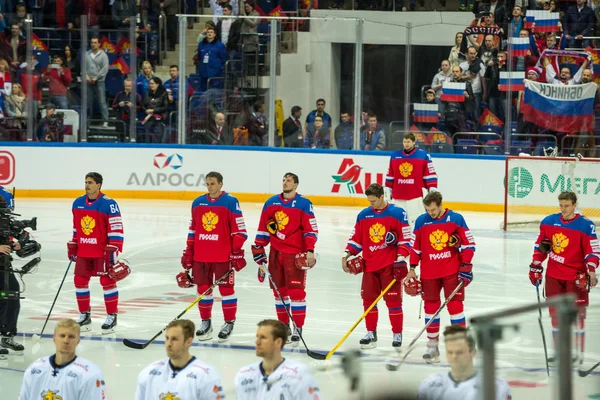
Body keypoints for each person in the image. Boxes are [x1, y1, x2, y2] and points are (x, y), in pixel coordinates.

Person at [404, 191, 476, 363]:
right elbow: (416, 248)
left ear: (440, 204)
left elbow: (469, 244)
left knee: (455, 307)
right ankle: (432, 345)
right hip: (429, 273)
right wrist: (412, 267)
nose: (431, 213)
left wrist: (465, 265)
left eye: (434, 209)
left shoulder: (456, 219)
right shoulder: (421, 221)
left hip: (452, 271)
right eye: (428, 210)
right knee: (431, 308)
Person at [529, 191, 599, 363]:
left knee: (577, 315)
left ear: (574, 205)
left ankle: (578, 353)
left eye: (567, 206)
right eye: (561, 205)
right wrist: (536, 265)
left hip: (576, 276)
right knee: (555, 314)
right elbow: (541, 246)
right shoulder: (549, 222)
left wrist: (591, 270)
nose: (563, 209)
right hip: (554, 275)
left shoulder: (585, 226)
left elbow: (593, 251)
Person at [341, 183, 411, 349]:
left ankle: (397, 333)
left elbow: (406, 239)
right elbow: (356, 239)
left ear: (382, 197)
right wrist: (347, 254)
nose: (371, 204)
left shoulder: (398, 213)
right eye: (369, 201)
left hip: (390, 266)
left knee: (394, 302)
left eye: (373, 201)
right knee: (368, 301)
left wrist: (401, 258)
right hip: (370, 266)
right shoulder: (364, 215)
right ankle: (371, 332)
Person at [252, 173, 318, 346]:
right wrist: (259, 246)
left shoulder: (304, 204)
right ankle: (284, 326)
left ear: (296, 185)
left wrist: (310, 249)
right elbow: (263, 227)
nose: (285, 182)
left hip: (295, 255)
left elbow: (310, 229)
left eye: (289, 180)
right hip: (275, 253)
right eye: (283, 179)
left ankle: (298, 327)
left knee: (296, 293)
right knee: (279, 293)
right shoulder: (271, 203)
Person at [180, 171, 247, 342]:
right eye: (207, 184)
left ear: (220, 184)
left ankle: (228, 323)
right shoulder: (197, 203)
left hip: (223, 256)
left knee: (226, 290)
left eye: (212, 183)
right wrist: (189, 250)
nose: (209, 187)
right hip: (201, 256)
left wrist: (236, 251)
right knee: (203, 290)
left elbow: (240, 231)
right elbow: (193, 230)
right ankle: (206, 323)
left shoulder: (231, 202)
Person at [68, 172, 127, 333]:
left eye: (90, 182)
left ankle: (111, 316)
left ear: (98, 185)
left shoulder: (109, 204)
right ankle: (84, 315)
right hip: (84, 250)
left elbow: (116, 228)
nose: (87, 185)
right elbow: (77, 227)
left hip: (102, 252)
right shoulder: (78, 203)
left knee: (107, 282)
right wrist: (74, 244)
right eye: (85, 182)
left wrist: (113, 248)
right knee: (79, 280)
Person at [135, 319, 225, 399]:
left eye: (174, 339)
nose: (169, 344)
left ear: (189, 341)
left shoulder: (207, 376)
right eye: (167, 338)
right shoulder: (149, 373)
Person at [19, 318, 106, 400]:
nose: (66, 340)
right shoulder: (35, 369)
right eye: (62, 335)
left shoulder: (90, 374)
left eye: (71, 336)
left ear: (78, 341)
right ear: (54, 338)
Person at [417, 325, 512, 399]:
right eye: (450, 352)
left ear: (473, 352)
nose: (454, 357)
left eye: (459, 352)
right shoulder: (430, 384)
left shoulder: (495, 386)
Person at [235, 319, 321, 399]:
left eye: (263, 337)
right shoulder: (244, 375)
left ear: (278, 342)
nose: (257, 342)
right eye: (257, 337)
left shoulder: (299, 375)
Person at [384, 132, 438, 227]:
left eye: (408, 141)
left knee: (417, 222)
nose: (406, 144)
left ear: (414, 142)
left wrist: (432, 188)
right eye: (404, 141)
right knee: (398, 223)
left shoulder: (423, 155)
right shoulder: (394, 156)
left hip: (415, 196)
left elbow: (430, 174)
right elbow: (390, 175)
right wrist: (388, 189)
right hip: (398, 196)